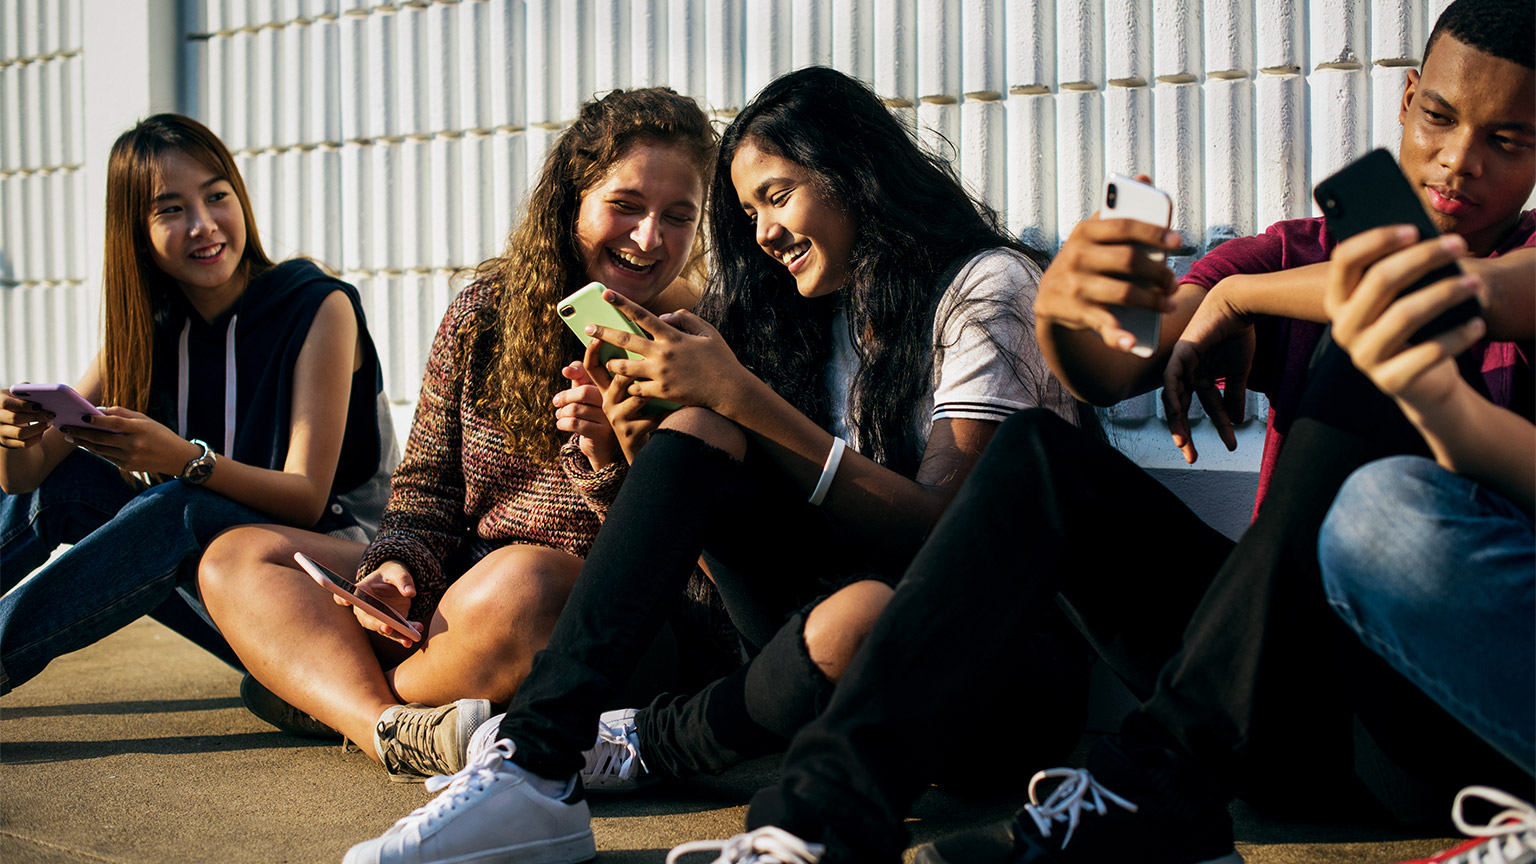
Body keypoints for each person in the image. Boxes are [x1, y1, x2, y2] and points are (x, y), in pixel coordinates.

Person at [632, 0, 1534, 860]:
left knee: (1372, 344)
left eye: (1508, 140)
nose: (1460, 162)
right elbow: (1124, 364)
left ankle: (1159, 782)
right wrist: (1067, 315)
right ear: (1408, 99)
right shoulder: (1298, 247)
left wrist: (1240, 297)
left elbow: (1444, 295)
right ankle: (826, 814)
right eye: (1441, 120)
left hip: (1433, 735)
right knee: (1039, 454)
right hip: (1272, 707)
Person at [340, 65, 1087, 864]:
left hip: (988, 677)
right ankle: (536, 762)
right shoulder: (795, 306)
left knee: (855, 610)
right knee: (710, 435)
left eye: (778, 195)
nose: (762, 231)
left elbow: (943, 532)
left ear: (854, 173)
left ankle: (631, 743)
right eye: (746, 211)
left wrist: (742, 395)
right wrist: (635, 440)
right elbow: (704, 515)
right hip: (818, 636)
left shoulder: (986, 288)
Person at [195, 87, 726, 783]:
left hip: (600, 627)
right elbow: (424, 488)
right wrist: (397, 569)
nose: (649, 238)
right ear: (573, 198)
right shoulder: (485, 314)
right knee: (237, 555)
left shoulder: (701, 344)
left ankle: (325, 694)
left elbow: (699, 572)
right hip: (460, 600)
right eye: (624, 205)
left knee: (527, 581)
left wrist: (606, 459)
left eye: (678, 216)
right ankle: (386, 728)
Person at [0, 114, 394, 696]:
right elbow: (29, 479)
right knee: (69, 481)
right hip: (225, 581)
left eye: (217, 196)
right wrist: (13, 439)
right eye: (171, 209)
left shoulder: (317, 306)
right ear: (135, 231)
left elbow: (307, 499)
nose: (204, 225)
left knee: (177, 507)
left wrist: (185, 458)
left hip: (335, 577)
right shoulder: (147, 332)